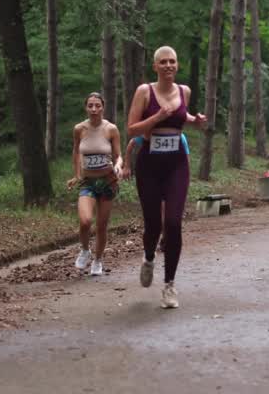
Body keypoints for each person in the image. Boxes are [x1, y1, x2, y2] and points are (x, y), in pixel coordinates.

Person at [124, 46, 207, 309]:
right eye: (163, 62)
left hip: (176, 164)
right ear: (155, 66)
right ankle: (148, 257)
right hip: (149, 164)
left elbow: (182, 117)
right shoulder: (144, 92)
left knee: (172, 223)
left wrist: (195, 120)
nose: (168, 65)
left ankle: (169, 285)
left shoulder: (184, 91)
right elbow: (131, 128)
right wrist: (155, 118)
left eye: (172, 61)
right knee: (153, 225)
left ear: (177, 65)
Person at [69, 92, 123, 276]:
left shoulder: (111, 129)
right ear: (86, 107)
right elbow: (76, 152)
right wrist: (76, 175)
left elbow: (118, 155)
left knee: (101, 225)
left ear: (102, 107)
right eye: (90, 105)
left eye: (97, 105)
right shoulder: (79, 129)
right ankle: (85, 251)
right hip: (88, 182)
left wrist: (118, 166)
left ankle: (98, 260)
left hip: (107, 181)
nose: (93, 109)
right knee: (85, 221)